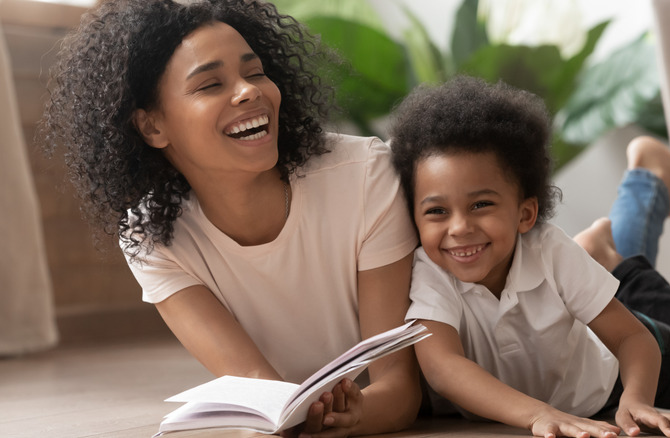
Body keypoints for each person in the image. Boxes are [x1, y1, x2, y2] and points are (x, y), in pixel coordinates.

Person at [39, 1, 421, 436]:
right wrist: (301, 417)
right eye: (210, 84)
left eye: (255, 72)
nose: (249, 91)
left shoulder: (364, 175)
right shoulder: (151, 237)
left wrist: (352, 415)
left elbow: (398, 388)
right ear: (151, 127)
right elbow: (261, 390)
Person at [389, 76, 670, 438]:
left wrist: (636, 397)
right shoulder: (429, 270)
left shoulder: (549, 250)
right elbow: (443, 367)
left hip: (606, 378)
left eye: (481, 204)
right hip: (558, 379)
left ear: (525, 214)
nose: (459, 227)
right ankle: (599, 255)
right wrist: (540, 414)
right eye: (437, 211)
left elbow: (631, 338)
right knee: (585, 281)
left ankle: (635, 213)